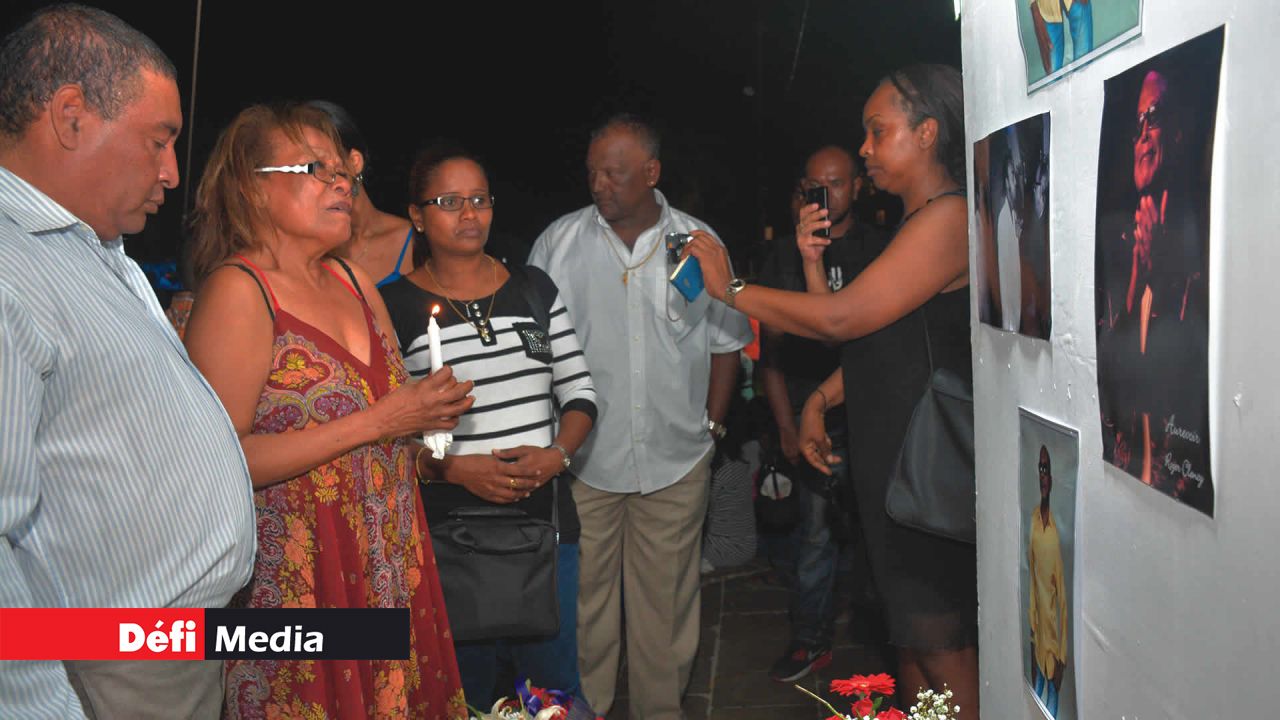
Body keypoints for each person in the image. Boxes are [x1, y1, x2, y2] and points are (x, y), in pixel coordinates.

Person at [685, 65, 979, 717]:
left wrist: (729, 289)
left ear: (928, 133)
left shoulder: (949, 218)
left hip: (926, 470)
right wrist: (819, 397)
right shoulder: (918, 222)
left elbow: (843, 319)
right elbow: (862, 338)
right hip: (894, 465)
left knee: (941, 642)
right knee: (908, 640)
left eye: (878, 132)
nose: (866, 149)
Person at [0, 6, 255, 718]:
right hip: (98, 672)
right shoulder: (8, 270)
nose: (174, 172)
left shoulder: (90, 249)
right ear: (71, 116)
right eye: (159, 140)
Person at [183, 102, 474, 719]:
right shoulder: (239, 291)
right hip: (303, 583)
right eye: (316, 167)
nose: (342, 181)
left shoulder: (353, 281)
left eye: (344, 169)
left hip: (390, 563)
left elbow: (387, 436)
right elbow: (219, 461)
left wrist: (426, 444)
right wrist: (388, 420)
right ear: (251, 186)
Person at [528, 113, 753, 719]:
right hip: (586, 462)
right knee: (586, 607)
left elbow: (727, 344)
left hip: (676, 460)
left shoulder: (699, 243)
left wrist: (712, 429)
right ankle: (586, 711)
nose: (600, 184)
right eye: (593, 172)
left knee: (666, 610)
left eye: (615, 172)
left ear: (652, 173)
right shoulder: (558, 244)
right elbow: (536, 355)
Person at [380, 142, 598, 710]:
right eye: (449, 201)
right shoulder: (392, 307)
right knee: (463, 694)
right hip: (450, 534)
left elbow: (580, 392)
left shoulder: (533, 289)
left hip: (543, 524)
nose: (469, 213)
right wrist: (454, 469)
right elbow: (384, 432)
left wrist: (557, 457)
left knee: (553, 693)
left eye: (479, 199)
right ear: (417, 215)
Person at [758, 144, 889, 683]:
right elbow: (770, 352)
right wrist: (788, 425)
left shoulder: (884, 248)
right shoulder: (786, 255)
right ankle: (810, 639)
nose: (825, 195)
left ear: (857, 185)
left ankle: (880, 633)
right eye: (813, 185)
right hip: (814, 420)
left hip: (874, 414)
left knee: (876, 535)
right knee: (813, 538)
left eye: (835, 183)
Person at [1096, 68, 1210, 511]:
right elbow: (1109, 387)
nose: (1142, 134)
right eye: (1138, 122)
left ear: (1180, 132)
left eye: (1155, 117)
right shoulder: (1118, 242)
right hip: (1124, 496)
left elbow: (1191, 387)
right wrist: (1137, 283)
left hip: (1181, 509)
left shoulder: (1201, 246)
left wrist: (1161, 275)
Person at [306, 100, 416, 287]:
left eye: (319, 165)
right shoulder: (309, 252)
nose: (313, 179)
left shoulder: (416, 240)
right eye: (305, 169)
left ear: (355, 162)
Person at [1028, 445, 1067, 718]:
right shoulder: (1033, 520)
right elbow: (1031, 580)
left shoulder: (1056, 530)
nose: (1043, 475)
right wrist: (1031, 635)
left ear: (1052, 479)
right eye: (1040, 469)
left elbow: (1063, 599)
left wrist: (1062, 657)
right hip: (1037, 641)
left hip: (1053, 648)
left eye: (1047, 470)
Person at [1030, 0, 1093, 74]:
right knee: (1052, 76)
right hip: (1046, 9)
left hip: (1077, 3)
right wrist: (1034, 8)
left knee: (1085, 67)